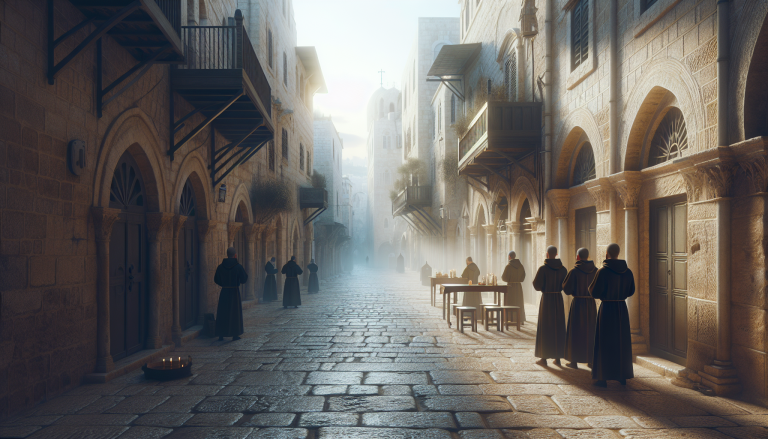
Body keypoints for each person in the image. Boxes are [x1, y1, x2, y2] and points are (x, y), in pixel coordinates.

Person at [589, 243, 635, 387]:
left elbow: (594, 292)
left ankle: (602, 378)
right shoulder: (628, 272)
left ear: (607, 254)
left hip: (607, 309)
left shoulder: (603, 271)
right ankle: (622, 376)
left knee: (605, 343)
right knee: (621, 342)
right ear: (618, 253)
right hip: (621, 309)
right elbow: (631, 291)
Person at [562, 247, 598, 369]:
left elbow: (566, 289)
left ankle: (574, 361)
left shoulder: (574, 271)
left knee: (575, 332)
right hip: (590, 304)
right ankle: (591, 361)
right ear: (588, 256)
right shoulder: (596, 271)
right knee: (591, 331)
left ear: (578, 257)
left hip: (578, 304)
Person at [532, 245, 567, 366]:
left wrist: (544, 288)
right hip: (558, 299)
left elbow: (536, 285)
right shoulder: (563, 269)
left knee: (546, 327)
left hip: (547, 299)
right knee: (558, 326)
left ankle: (544, 358)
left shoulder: (543, 269)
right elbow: (566, 287)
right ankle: (558, 358)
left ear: (547, 254)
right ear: (556, 254)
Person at [213, 247, 247, 341]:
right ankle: (235, 334)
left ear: (227, 255)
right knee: (234, 313)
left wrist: (224, 284)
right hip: (234, 292)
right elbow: (244, 279)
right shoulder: (238, 266)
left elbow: (216, 279)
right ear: (235, 255)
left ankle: (221, 334)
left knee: (223, 312)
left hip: (224, 292)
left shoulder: (220, 266)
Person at [501, 251, 526, 324]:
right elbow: (523, 276)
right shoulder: (521, 266)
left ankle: (509, 318)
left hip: (510, 287)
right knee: (519, 302)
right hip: (518, 287)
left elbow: (504, 278)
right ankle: (519, 318)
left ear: (509, 257)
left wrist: (509, 279)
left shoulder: (508, 266)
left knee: (510, 302)